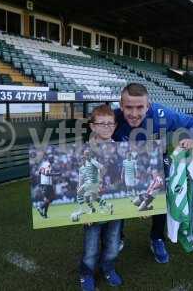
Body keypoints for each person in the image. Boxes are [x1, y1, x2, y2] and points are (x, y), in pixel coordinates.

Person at [113, 82, 193, 263]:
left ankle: (157, 237)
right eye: (129, 107)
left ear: (149, 105)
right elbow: (92, 136)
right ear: (121, 106)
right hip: (127, 164)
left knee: (160, 199)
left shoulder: (161, 115)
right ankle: (117, 237)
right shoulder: (113, 118)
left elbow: (192, 122)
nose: (134, 113)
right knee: (118, 197)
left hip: (155, 164)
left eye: (140, 107)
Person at [79, 104, 123, 291]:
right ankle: (86, 273)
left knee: (113, 243)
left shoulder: (122, 149)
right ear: (92, 126)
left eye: (110, 124)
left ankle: (108, 268)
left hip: (115, 207)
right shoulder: (83, 151)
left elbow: (126, 178)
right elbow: (79, 182)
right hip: (92, 208)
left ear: (114, 126)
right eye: (101, 123)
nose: (106, 127)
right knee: (91, 248)